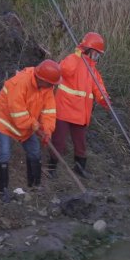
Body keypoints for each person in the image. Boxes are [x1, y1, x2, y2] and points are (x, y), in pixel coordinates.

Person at [0, 59, 61, 203]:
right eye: (50, 84)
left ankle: (35, 186)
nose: (51, 86)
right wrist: (33, 124)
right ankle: (3, 191)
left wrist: (47, 130)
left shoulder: (47, 88)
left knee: (35, 151)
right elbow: (17, 113)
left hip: (27, 123)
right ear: (42, 79)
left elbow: (49, 111)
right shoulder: (20, 83)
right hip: (6, 120)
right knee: (4, 153)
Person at [47, 32, 110, 179]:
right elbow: (63, 69)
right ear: (89, 50)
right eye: (97, 53)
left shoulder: (93, 69)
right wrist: (77, 56)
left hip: (81, 112)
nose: (98, 56)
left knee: (80, 143)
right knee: (59, 141)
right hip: (65, 108)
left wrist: (105, 100)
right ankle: (52, 167)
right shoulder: (73, 60)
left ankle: (80, 167)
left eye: (99, 54)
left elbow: (98, 87)